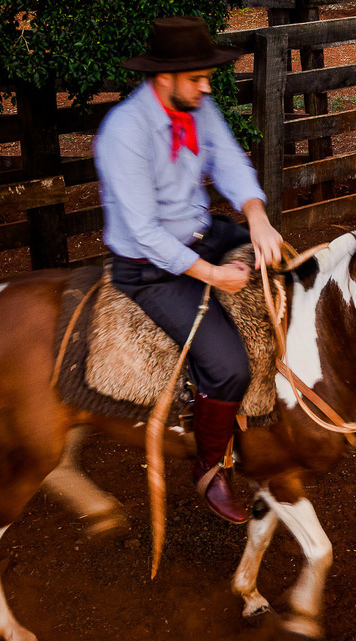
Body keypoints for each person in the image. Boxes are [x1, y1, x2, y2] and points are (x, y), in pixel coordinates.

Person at [94, 16, 284, 525]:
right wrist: (212, 276)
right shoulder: (124, 133)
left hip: (200, 230)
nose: (207, 86)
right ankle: (208, 466)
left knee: (279, 260)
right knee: (227, 365)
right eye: (198, 77)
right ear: (164, 78)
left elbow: (229, 161)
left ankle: (285, 388)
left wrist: (257, 217)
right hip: (150, 265)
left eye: (207, 76)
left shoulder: (196, 104)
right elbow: (145, 232)